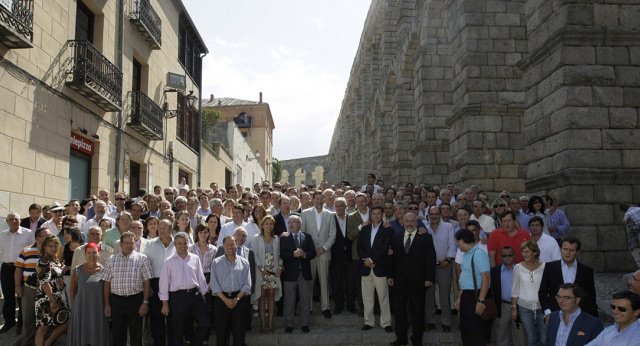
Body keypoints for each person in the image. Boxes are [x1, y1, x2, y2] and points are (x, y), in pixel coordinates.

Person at [387, 212, 437, 346]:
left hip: (418, 281)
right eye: (407, 221)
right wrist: (390, 275)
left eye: (412, 221)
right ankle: (401, 339)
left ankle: (417, 339)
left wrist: (429, 278)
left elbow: (430, 259)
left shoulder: (426, 237)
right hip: (399, 281)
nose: (409, 223)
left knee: (417, 312)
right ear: (403, 223)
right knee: (399, 312)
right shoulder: (396, 237)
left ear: (416, 222)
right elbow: (392, 258)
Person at [160, 232, 211, 346]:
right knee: (177, 329)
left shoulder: (195, 258)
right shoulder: (169, 261)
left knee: (205, 323)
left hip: (195, 295)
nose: (182, 246)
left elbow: (200, 277)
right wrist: (165, 304)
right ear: (175, 244)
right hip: (177, 297)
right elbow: (163, 284)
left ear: (189, 243)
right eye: (179, 243)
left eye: (185, 243)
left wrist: (203, 293)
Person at [102, 231, 153, 346]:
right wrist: (107, 303)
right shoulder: (111, 259)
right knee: (118, 333)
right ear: (120, 244)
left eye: (131, 243)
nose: (129, 245)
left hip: (135, 300)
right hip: (116, 300)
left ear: (135, 244)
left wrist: (145, 302)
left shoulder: (142, 259)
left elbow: (147, 282)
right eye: (126, 243)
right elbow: (106, 282)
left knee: (136, 333)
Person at [538, 236, 599, 320]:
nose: (568, 253)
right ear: (560, 249)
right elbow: (542, 292)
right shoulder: (550, 267)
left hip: (579, 315)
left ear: (577, 252)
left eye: (572, 250)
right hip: (555, 314)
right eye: (565, 249)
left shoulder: (586, 271)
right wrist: (547, 312)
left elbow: (591, 296)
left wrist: (594, 319)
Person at [210, 236, 252, 346]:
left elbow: (247, 285)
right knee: (222, 333)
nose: (230, 247)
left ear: (236, 245)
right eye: (227, 244)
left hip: (239, 300)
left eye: (232, 244)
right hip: (221, 300)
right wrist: (226, 300)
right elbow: (214, 285)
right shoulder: (216, 263)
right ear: (223, 246)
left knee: (239, 333)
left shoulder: (244, 263)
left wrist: (236, 299)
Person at [300, 189, 336, 318]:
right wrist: (310, 249)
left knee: (324, 281)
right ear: (313, 199)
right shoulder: (304, 214)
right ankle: (308, 307)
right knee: (309, 281)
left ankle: (325, 307)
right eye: (317, 199)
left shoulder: (330, 215)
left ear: (324, 200)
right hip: (310, 253)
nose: (319, 201)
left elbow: (332, 234)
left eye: (322, 199)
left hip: (324, 253)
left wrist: (324, 248)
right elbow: (302, 233)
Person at [357, 206, 393, 332]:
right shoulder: (365, 228)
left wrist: (372, 260)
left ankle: (386, 322)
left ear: (382, 215)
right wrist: (367, 261)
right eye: (374, 214)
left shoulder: (387, 229)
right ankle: (369, 321)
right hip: (366, 267)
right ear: (371, 215)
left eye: (378, 214)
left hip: (380, 267)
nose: (376, 216)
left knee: (383, 297)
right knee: (367, 298)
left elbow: (385, 248)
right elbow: (359, 247)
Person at [14, 227, 51, 345]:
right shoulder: (26, 251)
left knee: (46, 317)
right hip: (30, 289)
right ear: (38, 238)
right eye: (47, 235)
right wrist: (18, 286)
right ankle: (26, 341)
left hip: (47, 290)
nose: (50, 238)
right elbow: (18, 270)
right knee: (28, 316)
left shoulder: (52, 251)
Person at [280, 215, 317, 333]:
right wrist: (293, 254)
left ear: (300, 224)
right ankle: (289, 324)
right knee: (289, 301)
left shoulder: (307, 237)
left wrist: (304, 254)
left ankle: (305, 324)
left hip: (304, 274)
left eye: (294, 222)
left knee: (306, 301)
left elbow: (313, 253)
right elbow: (282, 255)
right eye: (289, 222)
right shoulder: (284, 238)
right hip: (290, 275)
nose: (291, 224)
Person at [68, 243, 110, 345]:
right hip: (81, 309)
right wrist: (75, 307)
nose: (92, 255)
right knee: (82, 336)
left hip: (98, 308)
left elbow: (107, 291)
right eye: (89, 253)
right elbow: (72, 290)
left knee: (97, 335)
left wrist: (107, 305)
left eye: (94, 252)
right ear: (85, 255)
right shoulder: (77, 270)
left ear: (99, 254)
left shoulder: (105, 271)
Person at [455, 229, 491, 346]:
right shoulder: (466, 254)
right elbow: (465, 278)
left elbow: (486, 277)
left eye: (457, 242)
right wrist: (460, 297)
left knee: (476, 331)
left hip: (475, 295)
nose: (457, 245)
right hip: (466, 295)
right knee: (466, 329)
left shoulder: (479, 254)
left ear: (462, 241)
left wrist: (481, 301)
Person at [143, 218, 176, 346]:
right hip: (155, 283)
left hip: (174, 284)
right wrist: (149, 284)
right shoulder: (150, 244)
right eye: (160, 228)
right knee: (157, 318)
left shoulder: (177, 244)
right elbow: (146, 265)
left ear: (171, 229)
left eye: (165, 228)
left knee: (174, 318)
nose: (162, 230)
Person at [424, 205, 457, 333]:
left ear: (440, 214)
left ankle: (446, 321)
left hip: (445, 265)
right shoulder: (424, 228)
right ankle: (430, 320)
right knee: (429, 295)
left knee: (445, 294)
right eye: (431, 214)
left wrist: (448, 260)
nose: (434, 216)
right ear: (428, 215)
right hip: (429, 267)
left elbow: (452, 246)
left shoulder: (448, 227)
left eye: (436, 214)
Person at [1, 212, 35, 334]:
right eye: (11, 219)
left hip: (22, 268)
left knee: (22, 297)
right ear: (7, 221)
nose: (14, 221)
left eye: (16, 219)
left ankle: (21, 324)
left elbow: (33, 249)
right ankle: (9, 322)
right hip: (6, 268)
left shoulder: (28, 233)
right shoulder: (2, 235)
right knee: (8, 296)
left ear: (20, 220)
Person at [34, 235, 68, 346]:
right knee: (43, 328)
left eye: (55, 245)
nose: (53, 248)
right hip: (47, 298)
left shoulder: (55, 259)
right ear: (44, 248)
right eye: (50, 246)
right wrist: (52, 299)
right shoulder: (44, 261)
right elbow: (44, 282)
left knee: (65, 322)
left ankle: (48, 342)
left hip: (58, 297)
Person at [511, 241, 547, 346]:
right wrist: (514, 308)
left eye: (527, 251)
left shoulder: (545, 267)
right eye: (522, 251)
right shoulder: (518, 267)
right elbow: (515, 289)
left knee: (544, 338)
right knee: (531, 338)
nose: (524, 254)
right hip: (524, 307)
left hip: (542, 307)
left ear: (535, 252)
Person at [252, 215, 282, 333]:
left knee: (271, 297)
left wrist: (280, 267)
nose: (269, 226)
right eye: (267, 223)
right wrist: (260, 267)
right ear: (262, 225)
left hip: (273, 271)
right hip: (262, 270)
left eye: (271, 224)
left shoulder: (276, 239)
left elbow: (280, 255)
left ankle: (270, 324)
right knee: (262, 297)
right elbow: (254, 254)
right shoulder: (256, 238)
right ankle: (263, 325)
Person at [491, 246, 525, 346]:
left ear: (514, 256)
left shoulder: (521, 270)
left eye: (510, 255)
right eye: (504, 256)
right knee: (501, 334)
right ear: (500, 257)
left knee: (519, 334)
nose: (507, 258)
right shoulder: (494, 271)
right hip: (502, 305)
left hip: (518, 305)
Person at [189, 222, 217, 342]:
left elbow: (215, 268)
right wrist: (200, 286)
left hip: (210, 279)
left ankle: (205, 339)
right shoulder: (191, 248)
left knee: (208, 310)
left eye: (205, 232)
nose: (203, 234)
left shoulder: (214, 249)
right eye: (200, 232)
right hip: (195, 279)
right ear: (197, 234)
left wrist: (209, 285)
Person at [330, 197, 356, 314]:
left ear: (346, 206)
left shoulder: (351, 218)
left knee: (350, 283)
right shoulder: (331, 219)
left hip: (350, 256)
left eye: (341, 206)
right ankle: (339, 306)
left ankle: (350, 305)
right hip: (336, 256)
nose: (339, 208)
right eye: (337, 206)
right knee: (337, 282)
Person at [59, 226, 84, 305]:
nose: (64, 236)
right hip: (68, 277)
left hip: (82, 276)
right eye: (63, 234)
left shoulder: (84, 247)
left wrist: (70, 267)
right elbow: (58, 262)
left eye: (67, 233)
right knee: (70, 301)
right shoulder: (64, 247)